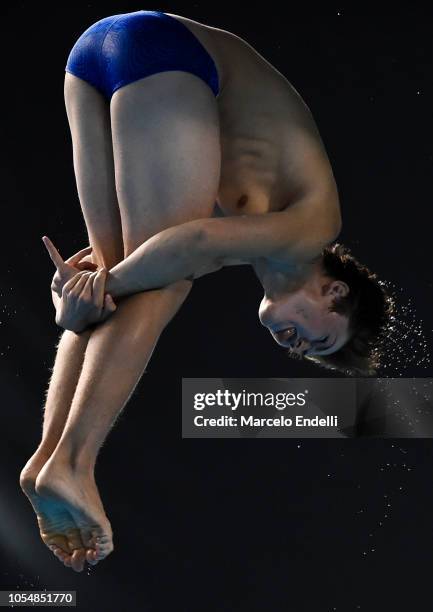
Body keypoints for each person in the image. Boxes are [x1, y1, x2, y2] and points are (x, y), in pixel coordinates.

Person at [19, 10, 393, 572]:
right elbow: (188, 243)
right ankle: (73, 462)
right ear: (334, 292)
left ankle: (49, 459)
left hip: (96, 58)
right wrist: (92, 290)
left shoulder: (253, 241)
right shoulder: (314, 227)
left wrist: (82, 297)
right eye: (316, 342)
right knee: (159, 279)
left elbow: (124, 269)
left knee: (129, 269)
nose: (293, 347)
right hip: (166, 53)